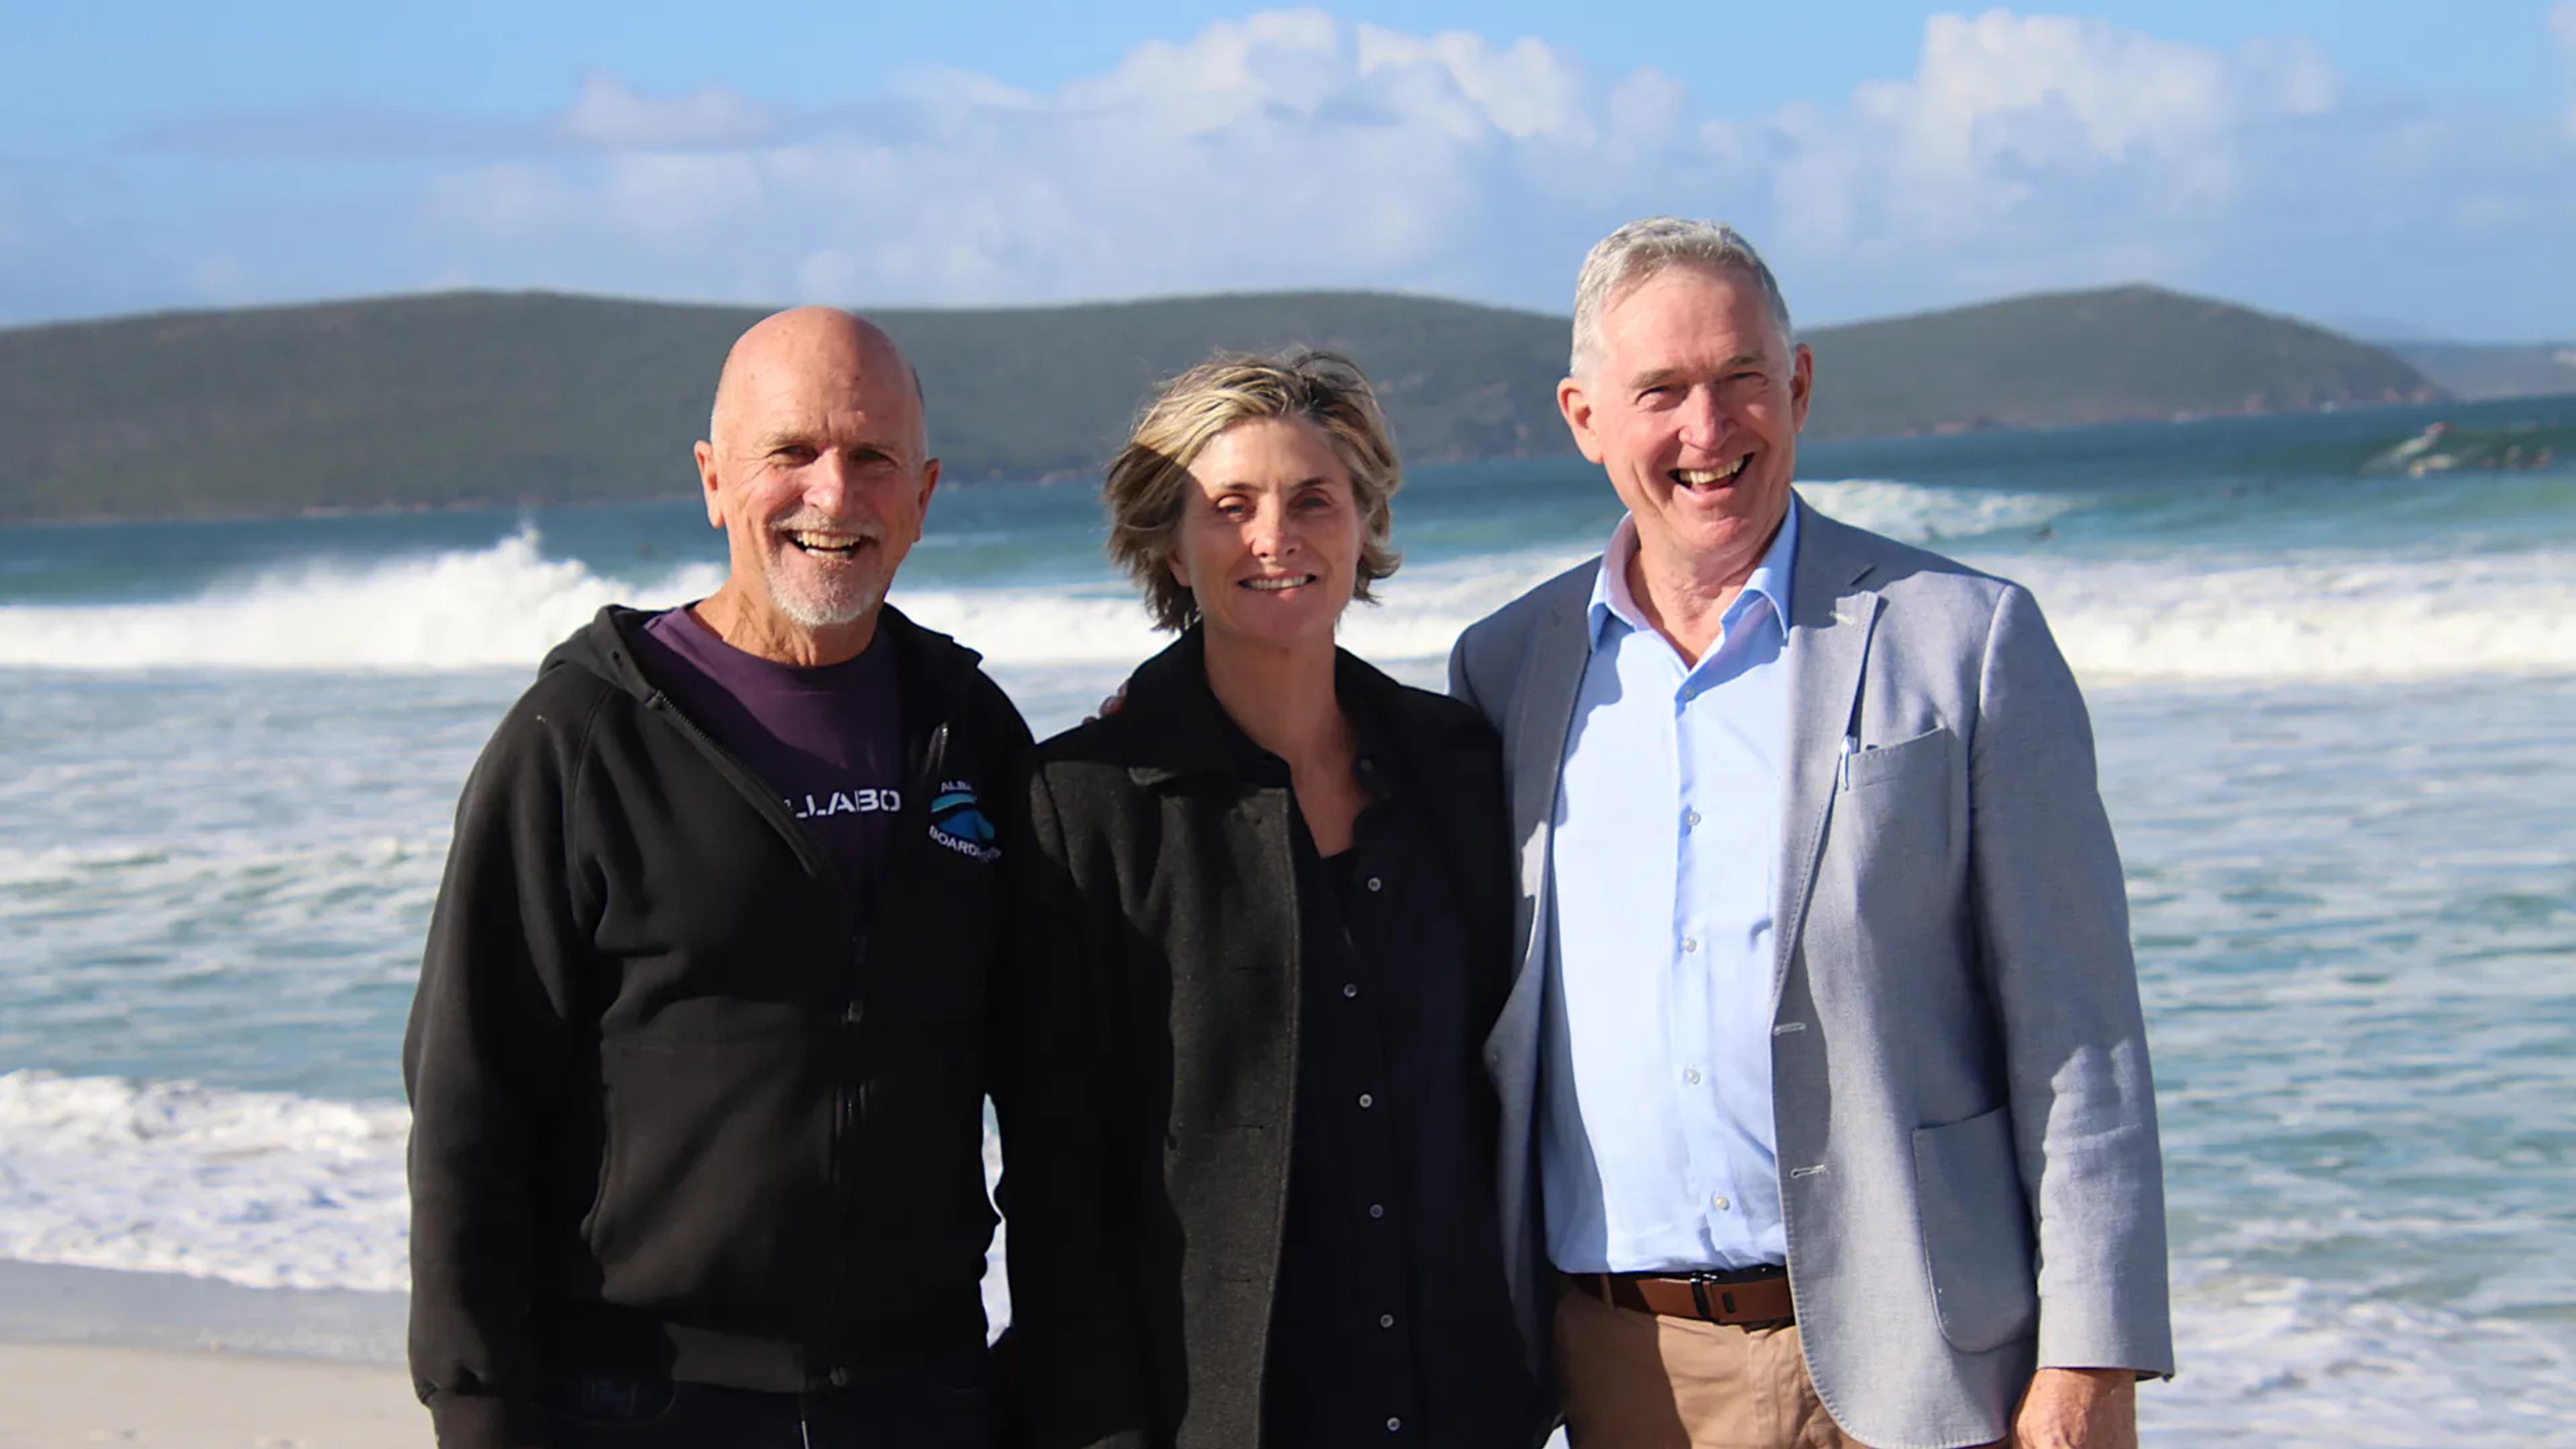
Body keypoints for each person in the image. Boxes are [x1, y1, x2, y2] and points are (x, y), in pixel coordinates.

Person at [1450, 218, 2173, 1449]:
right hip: (1629, 1373)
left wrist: (2091, 1358)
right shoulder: (1506, 669)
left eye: (1741, 379)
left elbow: (2079, 1026)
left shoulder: (1966, 638)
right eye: (1661, 392)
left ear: (1799, 385)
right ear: (1584, 419)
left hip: (1938, 1364)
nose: (1708, 429)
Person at [405, 308, 1030, 1448]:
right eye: (789, 453)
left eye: (872, 457)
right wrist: (478, 1404)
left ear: (925, 493)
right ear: (712, 478)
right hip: (642, 1398)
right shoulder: (584, 735)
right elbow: (469, 1097)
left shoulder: (970, 729)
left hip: (922, 1394)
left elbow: (1053, 1081)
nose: (833, 496)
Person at [1000, 352, 1551, 1449]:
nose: (1276, 537)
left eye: (1313, 500)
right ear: (1169, 542)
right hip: (1221, 1416)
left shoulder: (1457, 770)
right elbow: (1063, 1194)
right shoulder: (1086, 806)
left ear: (1363, 523)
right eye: (1229, 507)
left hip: (1467, 1405)